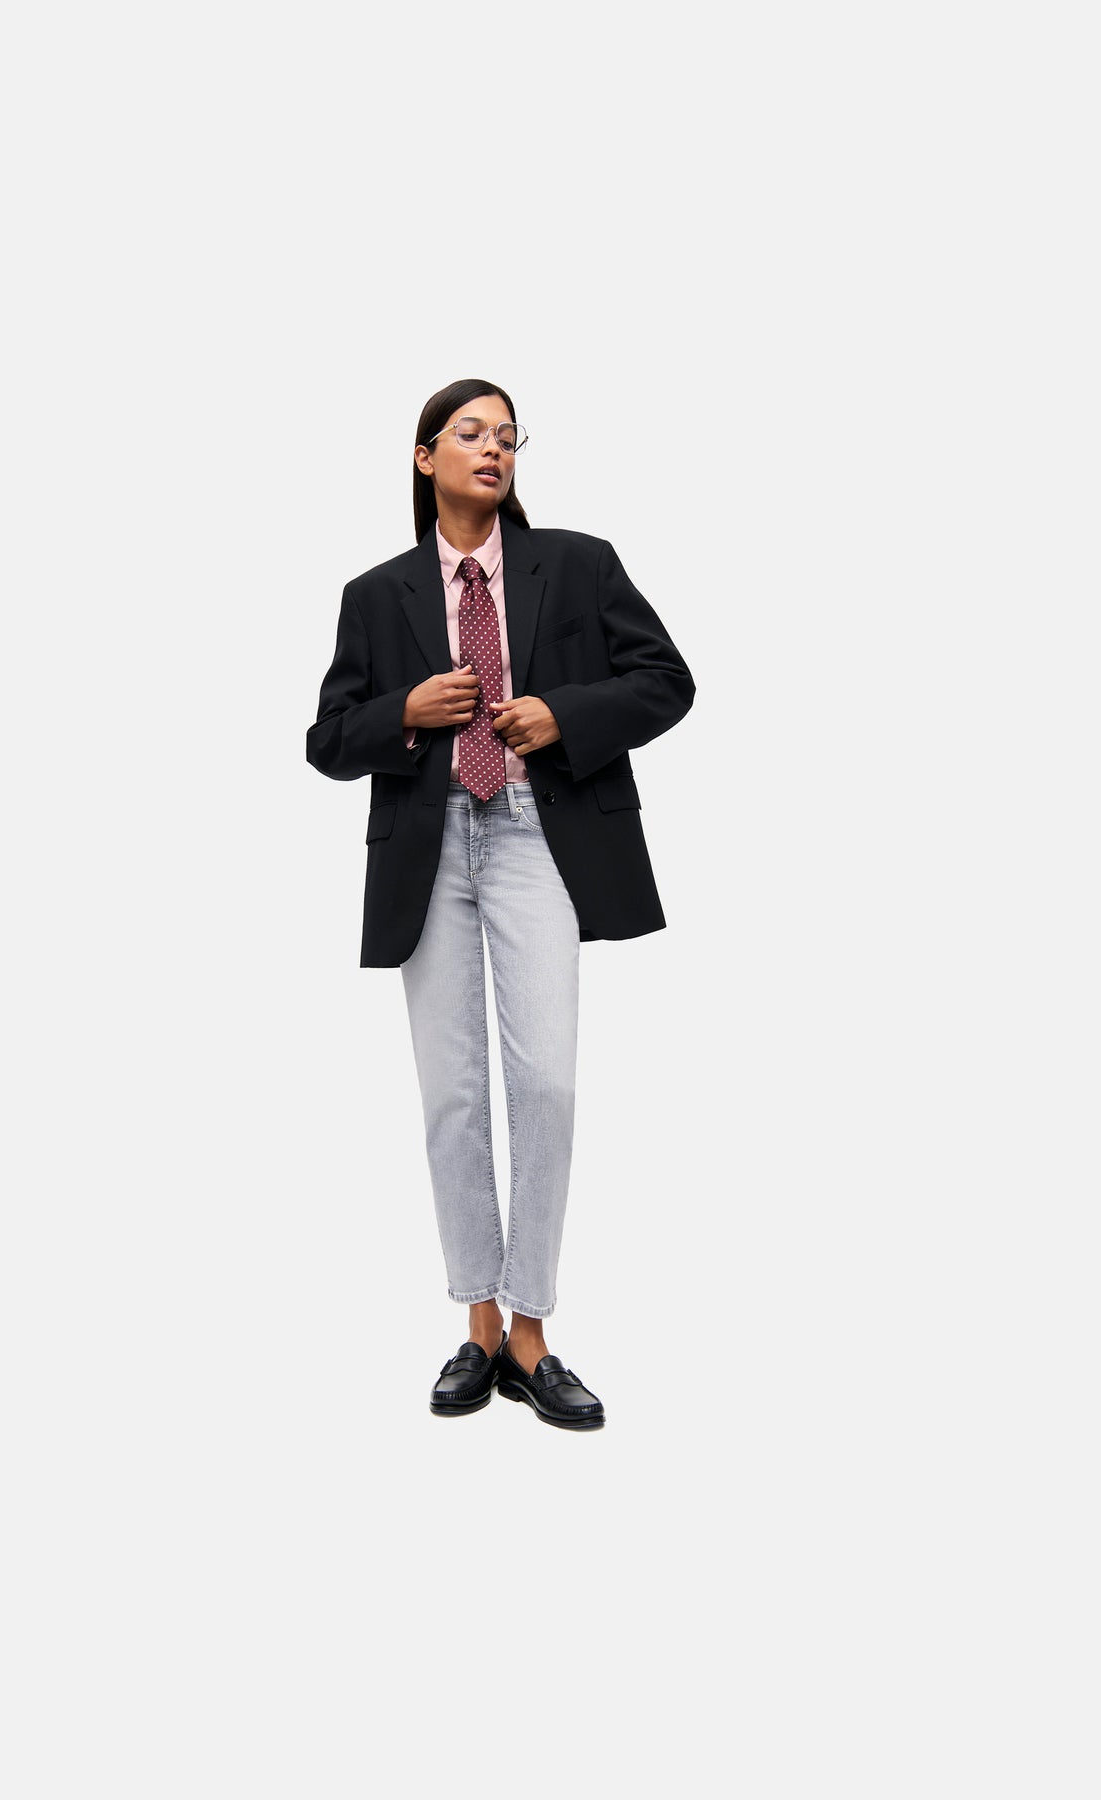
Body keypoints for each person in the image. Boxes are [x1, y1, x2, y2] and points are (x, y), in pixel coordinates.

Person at [307, 378, 694, 1430]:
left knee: (547, 1087)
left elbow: (667, 680)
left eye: (510, 438)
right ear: (425, 455)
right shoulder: (374, 593)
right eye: (472, 433)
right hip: (428, 847)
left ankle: (533, 1331)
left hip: (536, 832)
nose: (495, 450)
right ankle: (479, 1326)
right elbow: (327, 740)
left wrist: (562, 713)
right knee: (453, 1096)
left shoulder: (578, 562)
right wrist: (405, 709)